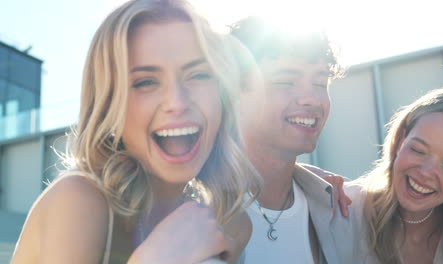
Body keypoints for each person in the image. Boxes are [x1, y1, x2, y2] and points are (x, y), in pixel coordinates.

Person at [11, 0, 261, 263]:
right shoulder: (78, 202)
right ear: (108, 105)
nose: (177, 102)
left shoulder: (230, 223)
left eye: (198, 75)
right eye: (145, 82)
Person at [230, 17, 352, 264]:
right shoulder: (188, 205)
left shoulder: (339, 209)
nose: (311, 99)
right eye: (285, 81)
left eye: (320, 82)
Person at [344, 87, 443, 263]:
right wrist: (308, 179)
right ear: (401, 142)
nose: (425, 173)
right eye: (418, 150)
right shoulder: (344, 211)